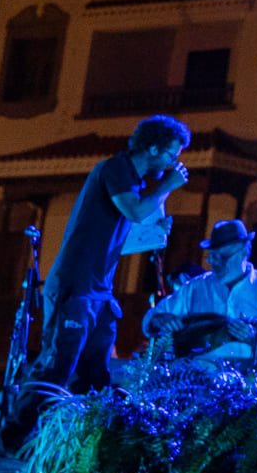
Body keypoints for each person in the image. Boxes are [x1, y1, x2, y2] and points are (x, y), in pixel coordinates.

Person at [31, 115, 194, 393]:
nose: (172, 163)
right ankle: (13, 435)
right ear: (153, 148)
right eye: (171, 154)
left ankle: (83, 434)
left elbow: (120, 240)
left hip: (99, 293)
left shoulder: (135, 183)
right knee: (55, 370)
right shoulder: (116, 169)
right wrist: (167, 186)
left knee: (95, 378)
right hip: (76, 287)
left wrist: (153, 232)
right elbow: (135, 210)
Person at [145, 220, 257, 366]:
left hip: (251, 383)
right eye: (212, 257)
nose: (216, 263)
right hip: (200, 382)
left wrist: (255, 339)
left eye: (223, 257)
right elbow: (151, 320)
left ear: (244, 252)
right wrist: (159, 320)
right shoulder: (197, 287)